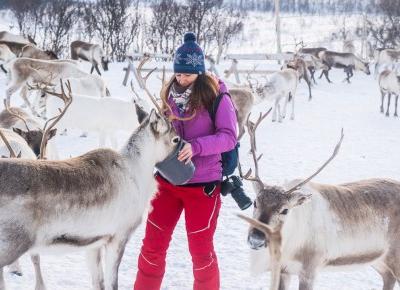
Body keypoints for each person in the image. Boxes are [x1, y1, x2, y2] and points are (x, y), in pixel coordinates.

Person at [133, 32, 237, 290]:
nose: (181, 79)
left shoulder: (218, 97)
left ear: (200, 72)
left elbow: (229, 138)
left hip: (203, 186)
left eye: (188, 75)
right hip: (167, 181)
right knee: (152, 247)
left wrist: (197, 147)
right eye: (178, 73)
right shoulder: (169, 93)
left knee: (201, 254)